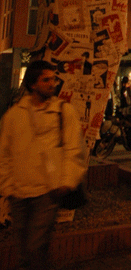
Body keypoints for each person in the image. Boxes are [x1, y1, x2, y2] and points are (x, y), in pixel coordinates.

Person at [0, 60, 86, 270]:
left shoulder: (63, 111)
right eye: (45, 80)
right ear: (32, 84)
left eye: (53, 79)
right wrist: (7, 186)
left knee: (35, 246)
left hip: (48, 192)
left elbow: (74, 149)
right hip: (19, 192)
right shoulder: (14, 115)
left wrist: (66, 181)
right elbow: (4, 154)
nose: (52, 84)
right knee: (23, 249)